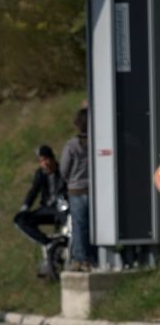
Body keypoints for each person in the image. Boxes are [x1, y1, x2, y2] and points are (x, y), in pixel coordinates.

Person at [14, 145, 67, 254]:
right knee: (20, 219)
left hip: (62, 209)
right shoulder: (40, 173)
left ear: (52, 158)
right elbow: (34, 190)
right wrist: (25, 207)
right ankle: (48, 243)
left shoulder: (63, 171)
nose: (44, 164)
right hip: (47, 209)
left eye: (46, 159)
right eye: (41, 161)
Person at [60, 108, 91, 271]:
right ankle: (94, 256)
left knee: (79, 225)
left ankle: (81, 259)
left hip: (76, 191)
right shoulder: (97, 142)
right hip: (95, 191)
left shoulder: (72, 145)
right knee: (93, 225)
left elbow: (64, 169)